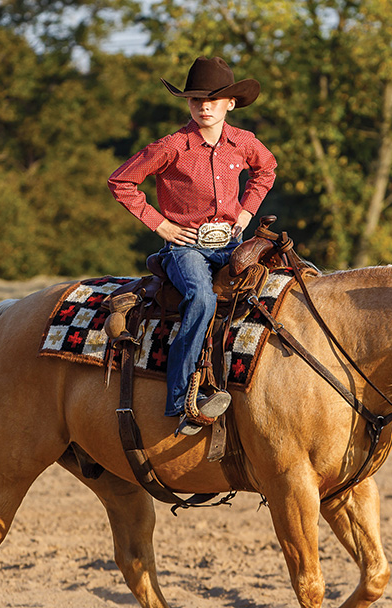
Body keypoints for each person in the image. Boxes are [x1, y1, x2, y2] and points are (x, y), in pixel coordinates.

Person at [108, 56, 277, 436]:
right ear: (188, 104)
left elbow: (267, 170)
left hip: (232, 242)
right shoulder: (171, 146)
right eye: (196, 99)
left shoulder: (244, 143)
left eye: (213, 100)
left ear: (230, 104)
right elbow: (121, 182)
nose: (204, 106)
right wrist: (162, 225)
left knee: (287, 287)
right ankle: (183, 399)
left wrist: (247, 213)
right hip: (186, 247)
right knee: (201, 298)